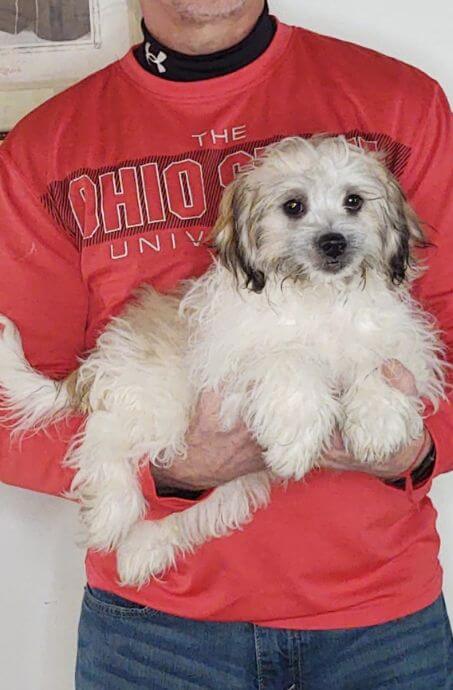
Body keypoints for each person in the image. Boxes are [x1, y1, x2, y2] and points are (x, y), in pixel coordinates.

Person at [0, 1, 452, 688]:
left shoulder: (400, 101)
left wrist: (420, 448)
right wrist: (169, 471)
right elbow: (11, 407)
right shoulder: (45, 147)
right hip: (151, 635)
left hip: (380, 622)